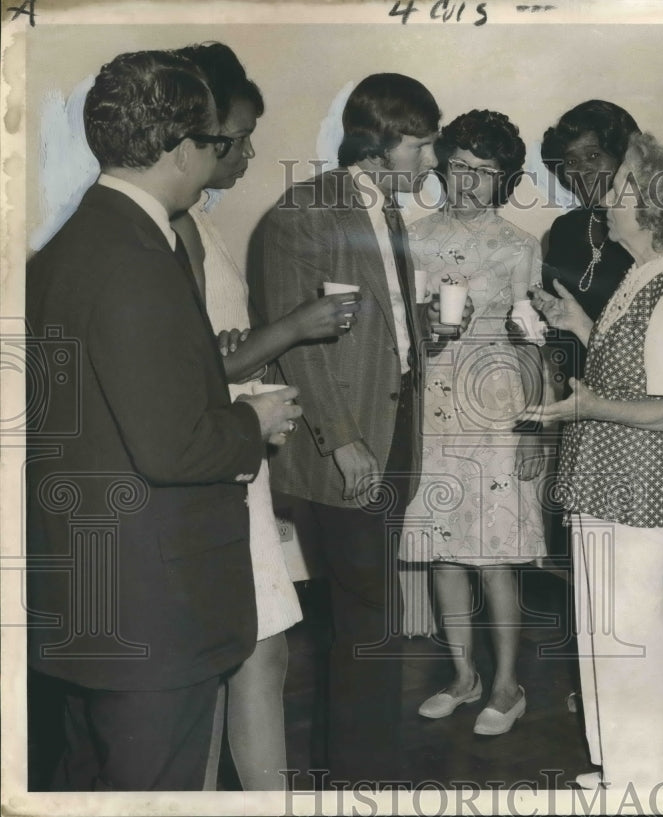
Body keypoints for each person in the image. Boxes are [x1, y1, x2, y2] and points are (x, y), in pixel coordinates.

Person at [25, 50, 300, 791]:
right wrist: (257, 423)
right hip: (154, 604)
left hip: (91, 587)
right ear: (180, 147)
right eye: (216, 142)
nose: (218, 156)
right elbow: (175, 446)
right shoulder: (138, 259)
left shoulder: (65, 248)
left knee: (93, 780)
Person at [247, 73, 470, 781]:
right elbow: (294, 342)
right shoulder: (301, 214)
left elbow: (380, 332)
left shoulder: (388, 211)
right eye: (423, 146)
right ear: (378, 142)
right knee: (367, 622)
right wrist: (341, 438)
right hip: (344, 444)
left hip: (395, 429)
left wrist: (424, 336)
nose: (432, 163)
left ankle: (359, 771)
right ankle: (363, 780)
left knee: (371, 617)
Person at [171, 42, 358, 791]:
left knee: (261, 649)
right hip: (214, 460)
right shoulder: (176, 228)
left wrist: (247, 349)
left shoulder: (199, 223)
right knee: (250, 650)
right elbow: (187, 372)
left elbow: (212, 347)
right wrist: (293, 328)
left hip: (237, 458)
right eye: (238, 138)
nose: (249, 152)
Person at [540, 99, 663, 743]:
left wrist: (587, 406)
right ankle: (623, 763)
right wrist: (578, 325)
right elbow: (638, 360)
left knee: (634, 627)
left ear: (653, 204)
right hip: (610, 476)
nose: (601, 196)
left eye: (618, 183)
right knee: (610, 628)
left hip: (635, 481)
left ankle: (651, 761)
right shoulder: (643, 269)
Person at [399, 110, 547, 736]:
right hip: (433, 402)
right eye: (458, 166)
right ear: (442, 166)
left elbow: (534, 341)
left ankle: (508, 685)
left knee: (495, 555)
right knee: (444, 552)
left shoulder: (518, 246)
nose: (467, 182)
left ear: (504, 180)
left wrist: (538, 425)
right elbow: (399, 331)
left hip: (495, 406)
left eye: (484, 173)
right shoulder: (413, 235)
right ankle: (464, 676)